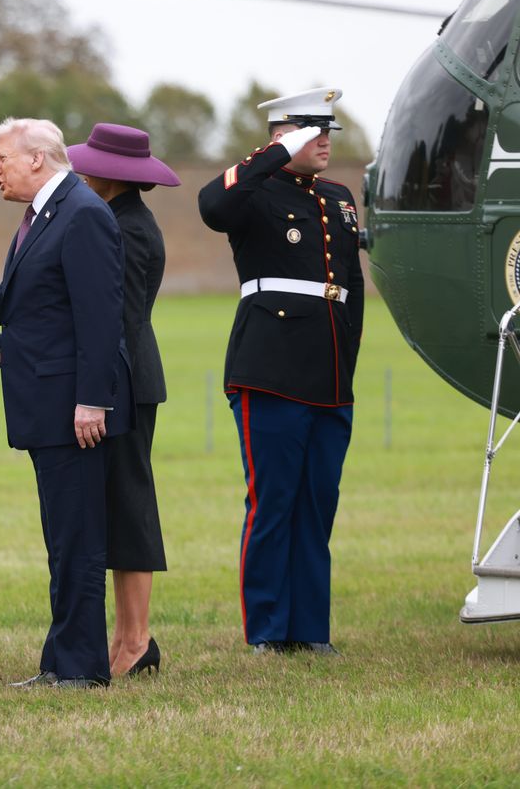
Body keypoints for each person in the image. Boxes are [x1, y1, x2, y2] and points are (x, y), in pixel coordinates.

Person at [0, 117, 133, 688]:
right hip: (46, 405)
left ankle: (80, 670)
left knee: (77, 540)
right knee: (62, 539)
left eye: (2, 157)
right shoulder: (45, 214)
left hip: (73, 409)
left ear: (38, 159)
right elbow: (19, 300)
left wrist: (92, 401)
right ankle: (61, 662)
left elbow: (101, 317)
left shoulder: (83, 214)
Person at [197, 87, 364, 656]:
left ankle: (310, 631)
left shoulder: (340, 197)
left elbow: (351, 290)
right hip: (269, 367)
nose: (323, 141)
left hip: (328, 371)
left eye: (327, 132)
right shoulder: (253, 191)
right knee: (273, 503)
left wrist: (348, 364)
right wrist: (272, 152)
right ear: (280, 137)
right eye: (310, 131)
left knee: (318, 503)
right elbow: (211, 207)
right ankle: (267, 631)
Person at [66, 123, 178, 678]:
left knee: (130, 507)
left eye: (91, 165)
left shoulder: (126, 227)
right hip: (121, 377)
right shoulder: (117, 217)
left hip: (125, 381)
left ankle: (136, 641)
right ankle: (125, 638)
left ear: (114, 175)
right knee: (117, 505)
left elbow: (110, 316)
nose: (82, 170)